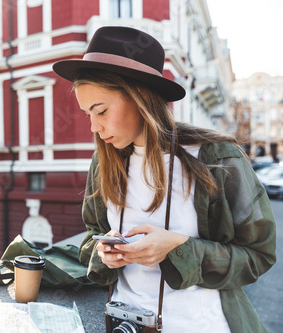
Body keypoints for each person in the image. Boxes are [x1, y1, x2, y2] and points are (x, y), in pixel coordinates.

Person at [53, 26, 276, 333]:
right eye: (87, 113)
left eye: (101, 110)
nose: (94, 127)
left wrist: (179, 248)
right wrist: (103, 253)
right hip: (121, 324)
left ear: (139, 96)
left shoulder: (219, 158)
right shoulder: (103, 162)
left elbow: (258, 256)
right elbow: (93, 233)